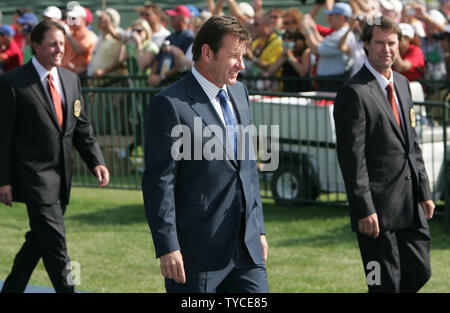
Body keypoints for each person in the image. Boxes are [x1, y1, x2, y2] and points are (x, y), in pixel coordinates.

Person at [142, 15, 268, 293]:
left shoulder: (240, 94)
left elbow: (245, 168)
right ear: (207, 53)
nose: (242, 65)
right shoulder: (169, 104)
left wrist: (257, 228)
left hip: (246, 251)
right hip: (196, 254)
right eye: (234, 56)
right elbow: (159, 182)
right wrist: (167, 246)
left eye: (243, 56)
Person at [0, 20, 110, 293]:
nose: (59, 49)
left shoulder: (70, 80)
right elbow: (2, 137)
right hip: (33, 178)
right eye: (52, 43)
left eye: (61, 43)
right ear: (35, 46)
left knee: (38, 241)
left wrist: (96, 160)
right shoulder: (13, 82)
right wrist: (3, 180)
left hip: (62, 178)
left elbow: (81, 127)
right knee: (56, 245)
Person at [333, 16, 435, 293]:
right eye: (379, 43)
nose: (386, 49)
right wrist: (364, 208)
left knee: (420, 270)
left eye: (391, 43)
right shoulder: (353, 93)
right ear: (366, 45)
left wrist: (424, 191)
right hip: (376, 211)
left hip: (410, 203)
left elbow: (411, 143)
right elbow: (351, 158)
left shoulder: (402, 84)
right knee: (381, 283)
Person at [302, 2, 355, 92]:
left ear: (341, 17)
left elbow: (316, 50)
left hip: (332, 83)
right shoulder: (340, 33)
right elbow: (323, 42)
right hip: (330, 81)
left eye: (332, 15)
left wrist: (308, 30)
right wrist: (313, 29)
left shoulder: (341, 34)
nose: (329, 18)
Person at [147, 5, 194, 87]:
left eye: (173, 17)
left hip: (177, 84)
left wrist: (161, 77)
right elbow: (158, 59)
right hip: (164, 84)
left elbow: (182, 62)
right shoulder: (169, 37)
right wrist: (152, 75)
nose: (170, 19)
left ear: (182, 19)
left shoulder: (189, 37)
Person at [61, 5, 97, 75]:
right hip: (64, 73)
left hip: (79, 77)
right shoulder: (71, 33)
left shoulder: (89, 35)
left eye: (74, 18)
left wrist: (68, 34)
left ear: (83, 19)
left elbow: (78, 50)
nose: (71, 20)